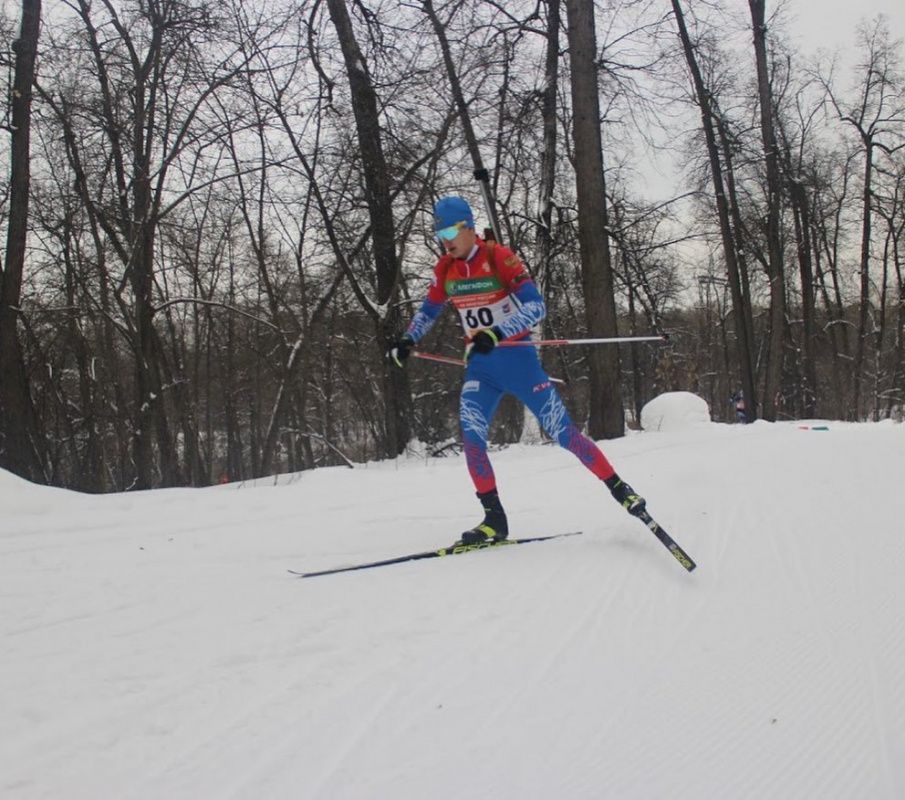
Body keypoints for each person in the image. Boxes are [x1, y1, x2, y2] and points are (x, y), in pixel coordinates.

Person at [388, 195, 646, 544]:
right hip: (481, 370)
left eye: (450, 231)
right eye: (439, 233)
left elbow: (536, 307)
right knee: (472, 439)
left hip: (519, 363)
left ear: (468, 227)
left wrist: (496, 332)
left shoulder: (498, 257)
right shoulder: (445, 269)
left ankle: (621, 489)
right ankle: (494, 520)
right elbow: (429, 310)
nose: (445, 240)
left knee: (564, 433)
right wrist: (408, 339)